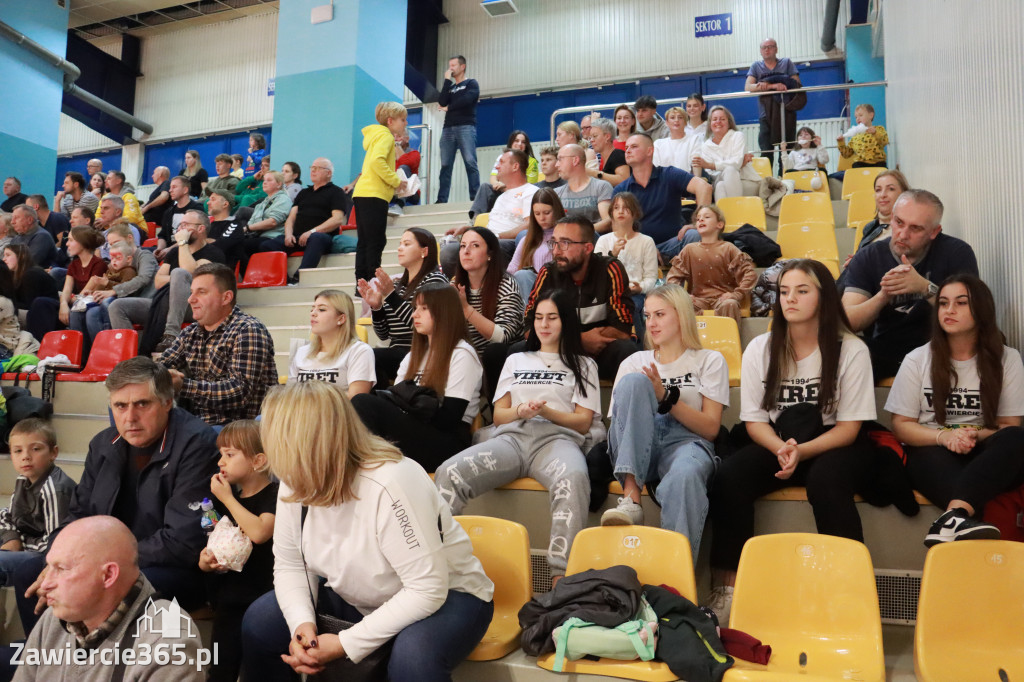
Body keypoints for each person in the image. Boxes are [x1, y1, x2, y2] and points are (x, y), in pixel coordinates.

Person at [240, 381, 494, 681]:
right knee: (260, 622)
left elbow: (427, 589)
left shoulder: (392, 480)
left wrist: (348, 643)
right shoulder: (295, 481)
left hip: (451, 595)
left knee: (414, 657)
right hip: (364, 598)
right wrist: (302, 628)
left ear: (299, 444)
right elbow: (291, 564)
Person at [708, 259, 876, 626]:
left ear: (824, 297)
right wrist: (782, 449)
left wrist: (802, 452)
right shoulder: (760, 348)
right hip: (778, 441)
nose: (790, 299)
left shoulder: (851, 350)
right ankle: (730, 590)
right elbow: (753, 422)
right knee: (730, 476)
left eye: (802, 291)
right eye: (784, 292)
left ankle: (846, 593)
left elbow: (848, 430)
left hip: (833, 443)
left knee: (827, 482)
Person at [13, 357, 219, 634]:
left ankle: (99, 670)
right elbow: (78, 515)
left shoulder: (198, 444)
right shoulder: (103, 444)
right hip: (108, 560)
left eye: (142, 404)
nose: (130, 417)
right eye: (120, 406)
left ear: (167, 402)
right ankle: (48, 666)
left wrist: (103, 561)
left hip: (174, 567)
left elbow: (182, 542)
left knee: (105, 585)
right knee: (29, 574)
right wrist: (56, 558)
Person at [436, 289, 599, 584]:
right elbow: (499, 415)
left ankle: (561, 578)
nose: (544, 324)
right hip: (511, 438)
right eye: (538, 318)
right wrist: (521, 411)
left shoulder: (584, 364)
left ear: (566, 322)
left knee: (574, 478)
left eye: (552, 318)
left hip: (557, 441)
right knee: (449, 472)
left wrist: (547, 412)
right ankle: (439, 562)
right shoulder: (517, 359)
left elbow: (583, 422)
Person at [885, 274, 1024, 546]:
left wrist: (971, 435)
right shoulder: (917, 359)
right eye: (944, 303)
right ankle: (962, 520)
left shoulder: (1007, 359)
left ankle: (954, 516)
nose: (949, 310)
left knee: (1016, 439)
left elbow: (1009, 424)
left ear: (981, 310)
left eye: (961, 303)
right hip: (932, 449)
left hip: (985, 450)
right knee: (926, 457)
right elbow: (901, 424)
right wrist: (944, 437)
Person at [601, 284, 729, 562]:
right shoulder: (635, 361)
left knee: (684, 477)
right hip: (636, 443)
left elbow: (710, 429)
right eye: (647, 316)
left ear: (681, 315)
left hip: (686, 442)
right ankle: (631, 497)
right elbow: (621, 426)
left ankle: (675, 583)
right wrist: (651, 393)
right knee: (635, 381)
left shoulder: (709, 360)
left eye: (660, 314)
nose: (651, 323)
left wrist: (665, 397)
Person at [13, 516, 205, 682]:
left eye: (61, 569)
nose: (45, 584)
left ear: (108, 575)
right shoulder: (53, 620)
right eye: (49, 567)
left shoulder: (168, 640)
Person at [842, 189, 979, 380]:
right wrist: (884, 295)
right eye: (899, 223)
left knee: (995, 340)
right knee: (838, 344)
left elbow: (973, 313)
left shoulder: (956, 252)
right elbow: (848, 320)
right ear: (891, 219)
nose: (903, 234)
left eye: (915, 228)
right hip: (887, 348)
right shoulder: (868, 257)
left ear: (934, 232)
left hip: (940, 346)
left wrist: (925, 288)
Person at [352, 283, 483, 470]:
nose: (414, 314)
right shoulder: (415, 354)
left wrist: (407, 412)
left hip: (447, 443)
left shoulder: (462, 353)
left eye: (424, 308)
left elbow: (449, 419)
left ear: (444, 312)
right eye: (415, 308)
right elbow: (395, 399)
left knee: (362, 403)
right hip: (417, 431)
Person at [201, 420, 277, 682]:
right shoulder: (226, 500)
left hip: (263, 601)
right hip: (228, 600)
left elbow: (259, 532)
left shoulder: (274, 494)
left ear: (258, 461)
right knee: (220, 671)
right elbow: (215, 542)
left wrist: (228, 499)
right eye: (221, 454)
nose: (221, 461)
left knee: (261, 672)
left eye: (230, 454)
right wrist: (206, 561)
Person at [160, 263, 277, 425]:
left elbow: (240, 393)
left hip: (238, 429)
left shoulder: (248, 329)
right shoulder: (191, 332)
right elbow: (162, 364)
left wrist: (183, 386)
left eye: (201, 292)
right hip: (199, 423)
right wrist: (157, 374)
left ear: (226, 298)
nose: (190, 299)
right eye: (191, 292)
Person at [524, 215, 636, 380]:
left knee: (626, 350)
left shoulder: (610, 269)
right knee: (517, 351)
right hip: (558, 352)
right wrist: (578, 340)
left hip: (600, 354)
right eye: (554, 242)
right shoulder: (548, 273)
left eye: (565, 243)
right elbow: (529, 328)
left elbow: (623, 329)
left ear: (588, 248)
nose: (556, 251)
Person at [110, 210, 225, 356]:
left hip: (195, 306)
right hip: (164, 303)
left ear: (200, 228)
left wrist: (182, 245)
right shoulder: (173, 252)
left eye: (185, 225)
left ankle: (171, 335)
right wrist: (179, 281)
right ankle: (130, 357)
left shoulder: (213, 253)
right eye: (180, 225)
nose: (180, 229)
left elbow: (189, 273)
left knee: (179, 272)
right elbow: (158, 282)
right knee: (117, 306)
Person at [361, 228, 449, 385]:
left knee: (367, 355)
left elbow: (424, 326)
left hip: (424, 350)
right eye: (400, 244)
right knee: (362, 357)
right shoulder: (396, 285)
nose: (400, 248)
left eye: (407, 244)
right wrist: (376, 308)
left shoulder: (435, 281)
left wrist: (391, 296)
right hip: (397, 352)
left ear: (424, 251)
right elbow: (384, 335)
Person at [614, 133, 713, 263]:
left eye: (634, 146)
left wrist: (698, 222)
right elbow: (618, 229)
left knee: (695, 234)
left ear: (650, 151)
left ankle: (699, 281)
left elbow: (704, 187)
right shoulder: (621, 189)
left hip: (672, 245)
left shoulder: (669, 174)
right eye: (626, 148)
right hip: (637, 249)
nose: (628, 151)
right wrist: (645, 247)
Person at [0, 419, 75, 585]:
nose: (26, 456)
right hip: (25, 543)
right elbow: (7, 515)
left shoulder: (55, 489)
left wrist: (19, 544)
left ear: (53, 453)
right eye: (18, 451)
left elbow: (56, 543)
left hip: (45, 558)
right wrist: (11, 538)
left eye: (35, 449)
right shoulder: (23, 479)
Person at [452, 226, 524, 396]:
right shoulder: (455, 284)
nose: (466, 251)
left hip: (504, 359)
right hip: (468, 358)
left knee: (494, 352)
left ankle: (497, 417)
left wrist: (466, 309)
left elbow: (502, 337)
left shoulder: (506, 284)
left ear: (490, 254)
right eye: (463, 246)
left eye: (475, 246)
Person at [441, 148, 538, 275]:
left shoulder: (531, 191)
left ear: (515, 166)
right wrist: (469, 230)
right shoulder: (501, 197)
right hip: (490, 239)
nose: (497, 167)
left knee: (490, 247)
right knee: (449, 252)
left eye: (501, 162)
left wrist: (496, 236)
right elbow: (491, 228)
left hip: (509, 243)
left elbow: (529, 224)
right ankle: (460, 290)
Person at [71, 224, 158, 358]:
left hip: (148, 301)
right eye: (110, 244)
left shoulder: (144, 255)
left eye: (116, 242)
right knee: (90, 312)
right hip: (127, 299)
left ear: (130, 238)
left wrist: (113, 291)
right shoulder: (115, 262)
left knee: (110, 304)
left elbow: (143, 279)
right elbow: (106, 281)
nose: (112, 248)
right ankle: (94, 356)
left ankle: (118, 353)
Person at [666, 204, 757, 324]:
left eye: (707, 217)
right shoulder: (689, 249)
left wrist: (736, 294)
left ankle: (728, 342)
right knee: (681, 307)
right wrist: (683, 296)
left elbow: (750, 274)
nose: (701, 220)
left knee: (730, 304)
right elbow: (672, 278)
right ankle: (690, 342)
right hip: (697, 300)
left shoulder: (728, 248)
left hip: (723, 299)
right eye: (698, 219)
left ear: (719, 224)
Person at [266, 158, 346, 284]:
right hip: (297, 237)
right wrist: (288, 234)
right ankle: (284, 279)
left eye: (318, 168)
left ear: (329, 173)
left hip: (321, 237)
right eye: (312, 167)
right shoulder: (304, 192)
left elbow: (337, 219)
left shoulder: (336, 192)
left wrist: (312, 232)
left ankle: (299, 277)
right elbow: (291, 217)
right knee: (267, 245)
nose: (313, 170)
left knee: (317, 238)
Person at [353, 104, 409, 283]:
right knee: (376, 241)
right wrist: (396, 180)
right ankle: (372, 281)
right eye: (403, 120)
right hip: (374, 195)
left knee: (365, 241)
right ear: (390, 121)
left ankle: (361, 282)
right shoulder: (385, 137)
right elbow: (378, 162)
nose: (405, 123)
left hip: (363, 192)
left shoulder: (375, 136)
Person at [594, 192, 659, 341]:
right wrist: (613, 254)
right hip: (607, 293)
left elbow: (651, 277)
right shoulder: (604, 240)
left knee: (630, 306)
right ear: (611, 213)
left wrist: (640, 287)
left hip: (635, 294)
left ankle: (638, 347)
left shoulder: (646, 241)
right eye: (616, 207)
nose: (621, 211)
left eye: (626, 207)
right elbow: (597, 273)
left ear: (635, 213)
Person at [289, 289, 376, 397]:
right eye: (312, 309)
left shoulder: (359, 351)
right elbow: (290, 394)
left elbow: (356, 398)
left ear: (341, 318)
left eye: (321, 309)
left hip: (338, 413)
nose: (313, 313)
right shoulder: (302, 351)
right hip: (299, 412)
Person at [745, 38, 801, 174]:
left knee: (786, 150)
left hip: (786, 113)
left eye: (770, 46)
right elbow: (748, 87)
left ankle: (785, 180)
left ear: (776, 49)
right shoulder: (756, 66)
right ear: (760, 50)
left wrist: (773, 85)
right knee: (766, 152)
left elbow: (797, 83)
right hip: (766, 115)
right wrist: (773, 86)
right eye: (764, 47)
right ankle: (767, 183)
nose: (767, 49)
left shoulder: (786, 63)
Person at [692, 106, 762, 202]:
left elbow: (735, 163)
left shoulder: (737, 136)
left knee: (730, 172)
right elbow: (712, 174)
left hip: (746, 181)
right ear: (710, 124)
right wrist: (739, 164)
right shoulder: (706, 146)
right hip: (720, 181)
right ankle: (735, 214)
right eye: (714, 119)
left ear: (729, 123)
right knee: (721, 184)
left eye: (722, 119)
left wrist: (712, 165)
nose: (718, 122)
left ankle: (732, 213)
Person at [507, 188, 564, 305]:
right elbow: (512, 270)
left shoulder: (567, 238)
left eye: (547, 213)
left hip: (559, 288)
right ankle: (529, 318)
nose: (542, 218)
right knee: (521, 275)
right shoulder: (526, 240)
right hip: (532, 290)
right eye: (537, 214)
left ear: (557, 210)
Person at [437, 54, 481, 203]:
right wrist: (446, 81)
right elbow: (441, 101)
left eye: (453, 66)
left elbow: (467, 100)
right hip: (448, 128)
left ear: (462, 67)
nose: (451, 68)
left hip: (466, 127)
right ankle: (442, 199)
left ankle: (475, 197)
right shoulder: (450, 87)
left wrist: (449, 108)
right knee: (445, 165)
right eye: (450, 66)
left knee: (470, 161)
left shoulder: (471, 83)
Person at [844, 169, 910, 267]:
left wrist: (862, 261)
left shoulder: (909, 229)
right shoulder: (870, 227)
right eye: (878, 190)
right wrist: (856, 259)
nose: (883, 195)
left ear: (904, 194)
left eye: (891, 189)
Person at [469, 130, 539, 218]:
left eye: (523, 142)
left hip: (519, 196)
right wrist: (497, 184)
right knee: (485, 187)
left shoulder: (532, 162)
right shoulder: (502, 157)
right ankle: (475, 220)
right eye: (516, 141)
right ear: (511, 142)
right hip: (503, 192)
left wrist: (506, 186)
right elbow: (493, 178)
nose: (520, 144)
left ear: (526, 146)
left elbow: (529, 186)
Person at [50, 227, 107, 330]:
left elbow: (84, 294)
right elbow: (66, 289)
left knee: (75, 311)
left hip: (90, 304)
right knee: (44, 302)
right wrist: (63, 304)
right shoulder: (74, 264)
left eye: (71, 240)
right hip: (77, 301)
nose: (67, 244)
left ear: (82, 243)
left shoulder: (99, 264)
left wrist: (69, 299)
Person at [241, 170, 293, 275]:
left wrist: (247, 228)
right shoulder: (260, 204)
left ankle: (250, 276)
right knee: (233, 243)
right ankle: (250, 276)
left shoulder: (283, 199)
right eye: (264, 180)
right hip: (258, 236)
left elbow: (273, 221)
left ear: (279, 184)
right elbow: (251, 223)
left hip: (273, 237)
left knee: (241, 246)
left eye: (269, 180)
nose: (264, 182)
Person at [555, 144, 613, 233]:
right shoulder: (557, 192)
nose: (556, 165)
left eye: (560, 159)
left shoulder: (601, 187)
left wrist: (577, 232)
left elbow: (608, 222)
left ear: (575, 160)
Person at [1, 244, 57, 320]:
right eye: (4, 255)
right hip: (31, 312)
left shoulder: (31, 274)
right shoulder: (14, 274)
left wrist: (7, 304)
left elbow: (29, 304)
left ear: (22, 256)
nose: (4, 259)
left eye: (8, 255)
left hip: (45, 315)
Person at [156, 175, 204, 259]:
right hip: (168, 249)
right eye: (170, 187)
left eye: (174, 187)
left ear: (185, 190)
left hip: (188, 249)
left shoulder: (196, 208)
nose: (170, 190)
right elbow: (162, 235)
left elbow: (192, 236)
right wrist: (160, 249)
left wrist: (169, 249)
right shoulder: (168, 212)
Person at [836, 103, 888, 170]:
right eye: (856, 117)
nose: (858, 118)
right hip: (860, 164)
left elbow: (885, 141)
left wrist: (875, 133)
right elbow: (847, 154)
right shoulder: (855, 136)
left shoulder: (879, 129)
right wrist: (840, 142)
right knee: (856, 165)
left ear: (871, 115)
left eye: (860, 115)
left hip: (878, 163)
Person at [653, 106, 703, 175]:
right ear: (667, 122)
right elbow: (655, 168)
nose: (676, 120)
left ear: (685, 122)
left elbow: (696, 164)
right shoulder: (658, 144)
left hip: (686, 181)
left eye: (680, 117)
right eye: (672, 118)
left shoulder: (694, 140)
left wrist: (697, 183)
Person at [96, 170, 147, 235]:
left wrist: (108, 221)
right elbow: (97, 216)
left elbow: (131, 218)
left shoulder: (129, 197)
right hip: (111, 230)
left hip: (135, 231)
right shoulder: (105, 198)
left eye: (109, 178)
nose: (105, 181)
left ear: (118, 181)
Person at [10, 205, 57, 269]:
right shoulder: (16, 239)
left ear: (30, 220)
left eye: (17, 218)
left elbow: (29, 263)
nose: (12, 222)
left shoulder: (42, 236)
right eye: (12, 218)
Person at [586, 117, 631, 186]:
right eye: (590, 137)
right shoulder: (606, 159)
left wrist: (594, 173)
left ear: (607, 137)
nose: (591, 140)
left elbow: (624, 179)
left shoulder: (618, 155)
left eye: (595, 136)